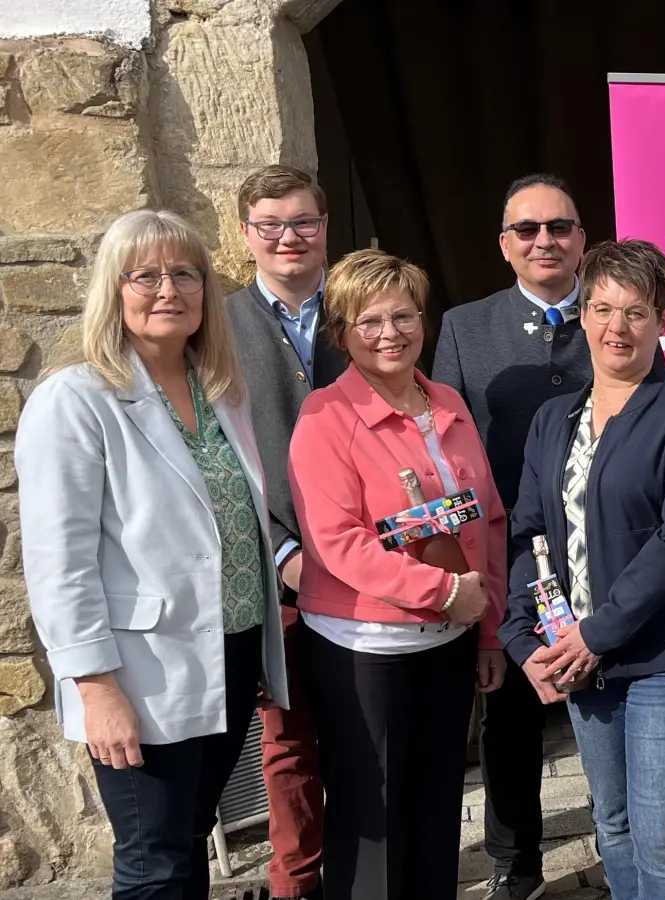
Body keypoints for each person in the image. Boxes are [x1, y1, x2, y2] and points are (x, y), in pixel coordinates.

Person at [18, 209, 290, 899]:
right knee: (154, 861)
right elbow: (58, 561)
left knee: (187, 834)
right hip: (140, 672)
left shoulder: (220, 391)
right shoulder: (75, 400)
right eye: (145, 276)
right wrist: (95, 685)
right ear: (114, 288)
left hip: (229, 653)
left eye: (185, 274)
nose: (168, 290)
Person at [500, 239, 665, 900]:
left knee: (659, 836)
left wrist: (596, 634)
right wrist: (523, 638)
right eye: (601, 309)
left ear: (663, 321)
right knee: (613, 824)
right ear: (583, 316)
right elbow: (530, 534)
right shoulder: (553, 420)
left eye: (635, 311)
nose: (616, 327)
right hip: (582, 659)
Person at [289, 249, 508, 900]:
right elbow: (337, 543)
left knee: (438, 811)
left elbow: (488, 520)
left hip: (450, 644)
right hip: (365, 651)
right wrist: (444, 593)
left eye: (404, 316)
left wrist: (487, 629)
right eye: (370, 321)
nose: (390, 333)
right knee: (373, 826)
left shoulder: (448, 403)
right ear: (342, 333)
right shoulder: (325, 418)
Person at [430, 173, 588, 900]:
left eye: (558, 227)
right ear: (504, 244)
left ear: (581, 239)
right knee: (514, 711)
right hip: (512, 553)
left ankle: (625, 843)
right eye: (527, 229)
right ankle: (515, 858)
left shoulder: (616, 311)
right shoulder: (466, 327)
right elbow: (445, 450)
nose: (543, 240)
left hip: (606, 548)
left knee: (610, 698)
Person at [227, 164, 344, 900]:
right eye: (270, 225)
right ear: (246, 235)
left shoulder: (363, 306)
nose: (287, 237)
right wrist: (283, 554)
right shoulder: (215, 322)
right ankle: (296, 886)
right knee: (288, 743)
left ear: (324, 227)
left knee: (367, 737)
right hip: (280, 573)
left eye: (302, 221)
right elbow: (211, 456)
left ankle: (368, 873)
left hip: (372, 567)